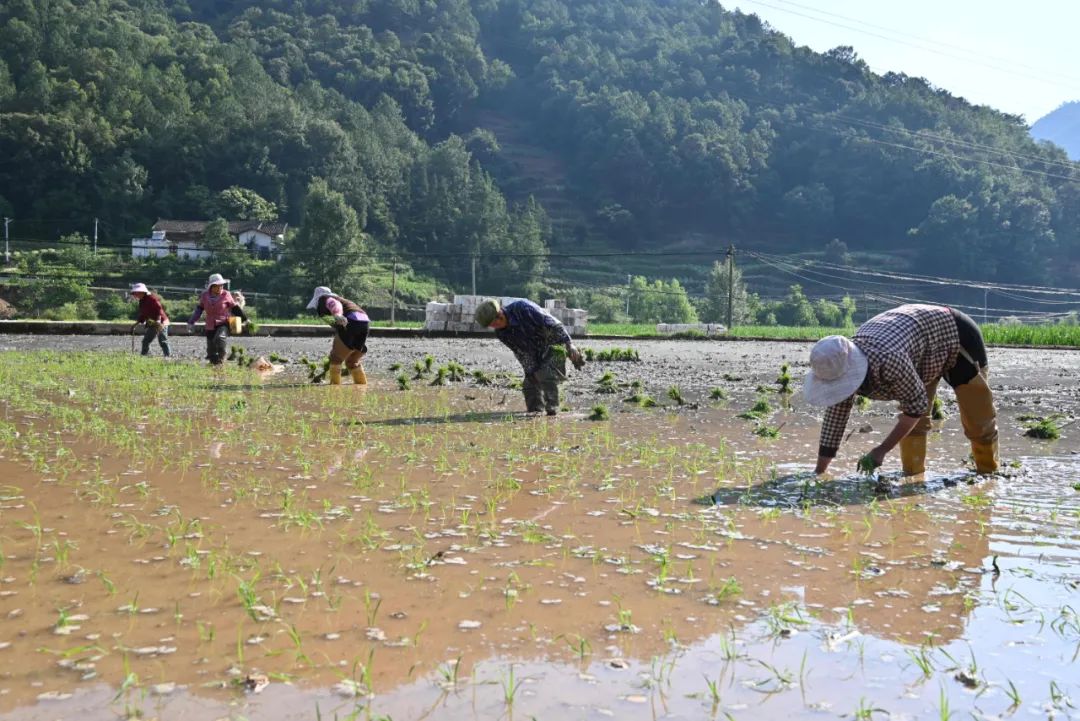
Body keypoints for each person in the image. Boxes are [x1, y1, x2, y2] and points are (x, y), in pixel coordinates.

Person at [803, 304, 998, 476]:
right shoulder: (839, 364)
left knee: (978, 417)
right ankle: (912, 475)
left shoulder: (888, 361)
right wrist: (819, 472)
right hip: (919, 351)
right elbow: (835, 419)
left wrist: (882, 450)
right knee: (917, 424)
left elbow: (915, 407)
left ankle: (988, 473)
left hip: (956, 336)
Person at [475, 298, 585, 416]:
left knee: (545, 374)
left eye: (494, 322)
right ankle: (535, 414)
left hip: (555, 346)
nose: (495, 326)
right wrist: (529, 372)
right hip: (536, 355)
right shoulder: (501, 333)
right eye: (491, 325)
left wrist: (569, 345)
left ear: (500, 314)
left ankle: (552, 412)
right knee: (529, 385)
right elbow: (521, 352)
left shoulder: (523, 308)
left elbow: (554, 325)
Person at [307, 286, 369, 385]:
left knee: (335, 358)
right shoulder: (344, 301)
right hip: (364, 323)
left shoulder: (326, 299)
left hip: (350, 322)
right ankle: (361, 387)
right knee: (352, 362)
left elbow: (334, 304)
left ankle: (334, 388)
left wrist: (337, 314)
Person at [187, 273, 247, 365]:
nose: (220, 288)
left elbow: (235, 308)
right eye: (217, 286)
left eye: (221, 285)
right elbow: (199, 309)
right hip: (210, 325)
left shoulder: (226, 294)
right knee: (211, 350)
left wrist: (246, 320)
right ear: (212, 286)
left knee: (220, 338)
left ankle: (222, 358)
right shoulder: (205, 295)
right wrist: (191, 322)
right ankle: (215, 365)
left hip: (224, 322)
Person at [129, 283, 170, 357]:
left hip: (161, 321)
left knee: (162, 341)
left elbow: (159, 310)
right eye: (135, 293)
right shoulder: (141, 301)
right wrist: (135, 324)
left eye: (137, 293)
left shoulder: (152, 298)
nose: (135, 295)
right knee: (146, 341)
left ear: (142, 292)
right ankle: (144, 355)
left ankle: (167, 356)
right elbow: (143, 314)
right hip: (152, 322)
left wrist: (158, 322)